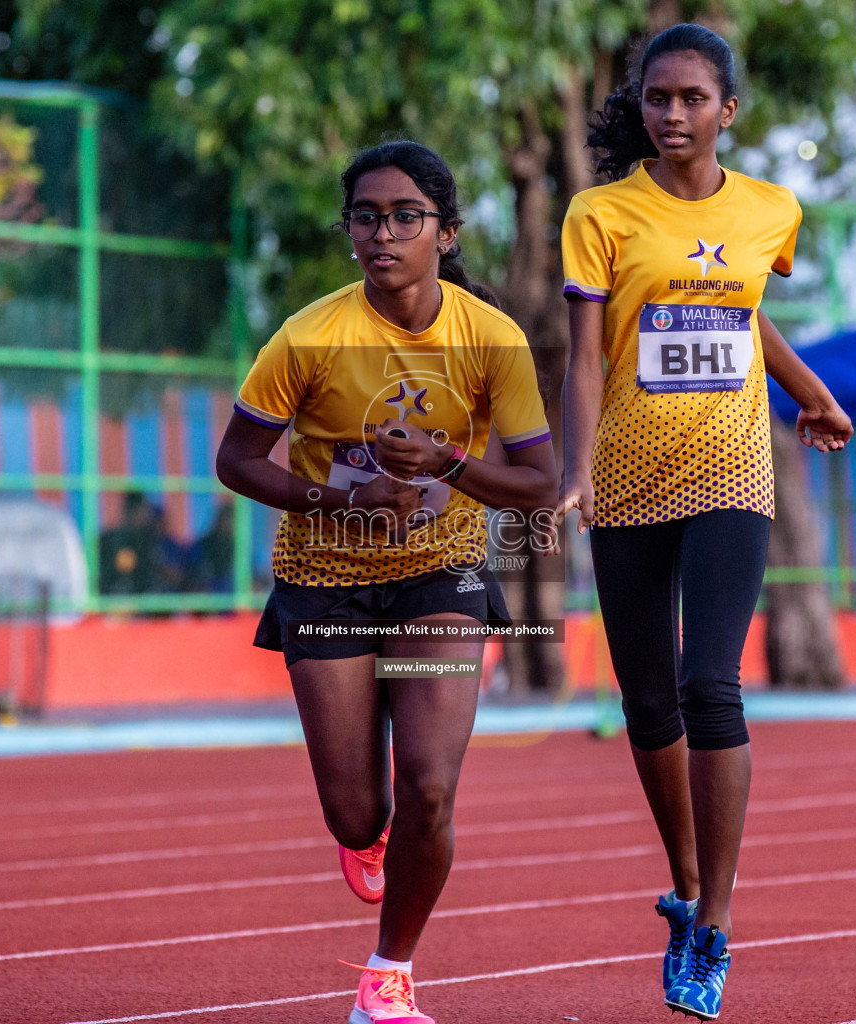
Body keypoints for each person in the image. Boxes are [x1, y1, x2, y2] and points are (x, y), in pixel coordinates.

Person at [216, 140, 555, 1024]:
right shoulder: (308, 336)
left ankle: (389, 974)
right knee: (356, 808)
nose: (382, 233)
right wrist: (341, 495)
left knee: (430, 790)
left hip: (440, 576)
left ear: (445, 232)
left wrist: (449, 458)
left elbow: (537, 483)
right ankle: (362, 838)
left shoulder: (491, 338)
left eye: (405, 216)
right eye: (365, 216)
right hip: (323, 581)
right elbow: (237, 459)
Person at [558, 24, 852, 1020]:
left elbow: (743, 305)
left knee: (707, 683)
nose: (672, 114)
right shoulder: (599, 213)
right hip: (628, 472)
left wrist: (809, 389)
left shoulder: (774, 209)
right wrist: (575, 464)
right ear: (640, 106)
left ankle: (716, 925)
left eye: (691, 98)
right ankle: (685, 885)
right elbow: (585, 350)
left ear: (728, 111)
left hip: (732, 470)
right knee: (647, 702)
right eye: (657, 98)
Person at [98, 491, 163, 596]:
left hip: (141, 604)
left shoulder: (147, 540)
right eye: (143, 509)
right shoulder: (109, 539)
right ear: (133, 510)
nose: (147, 515)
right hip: (113, 602)